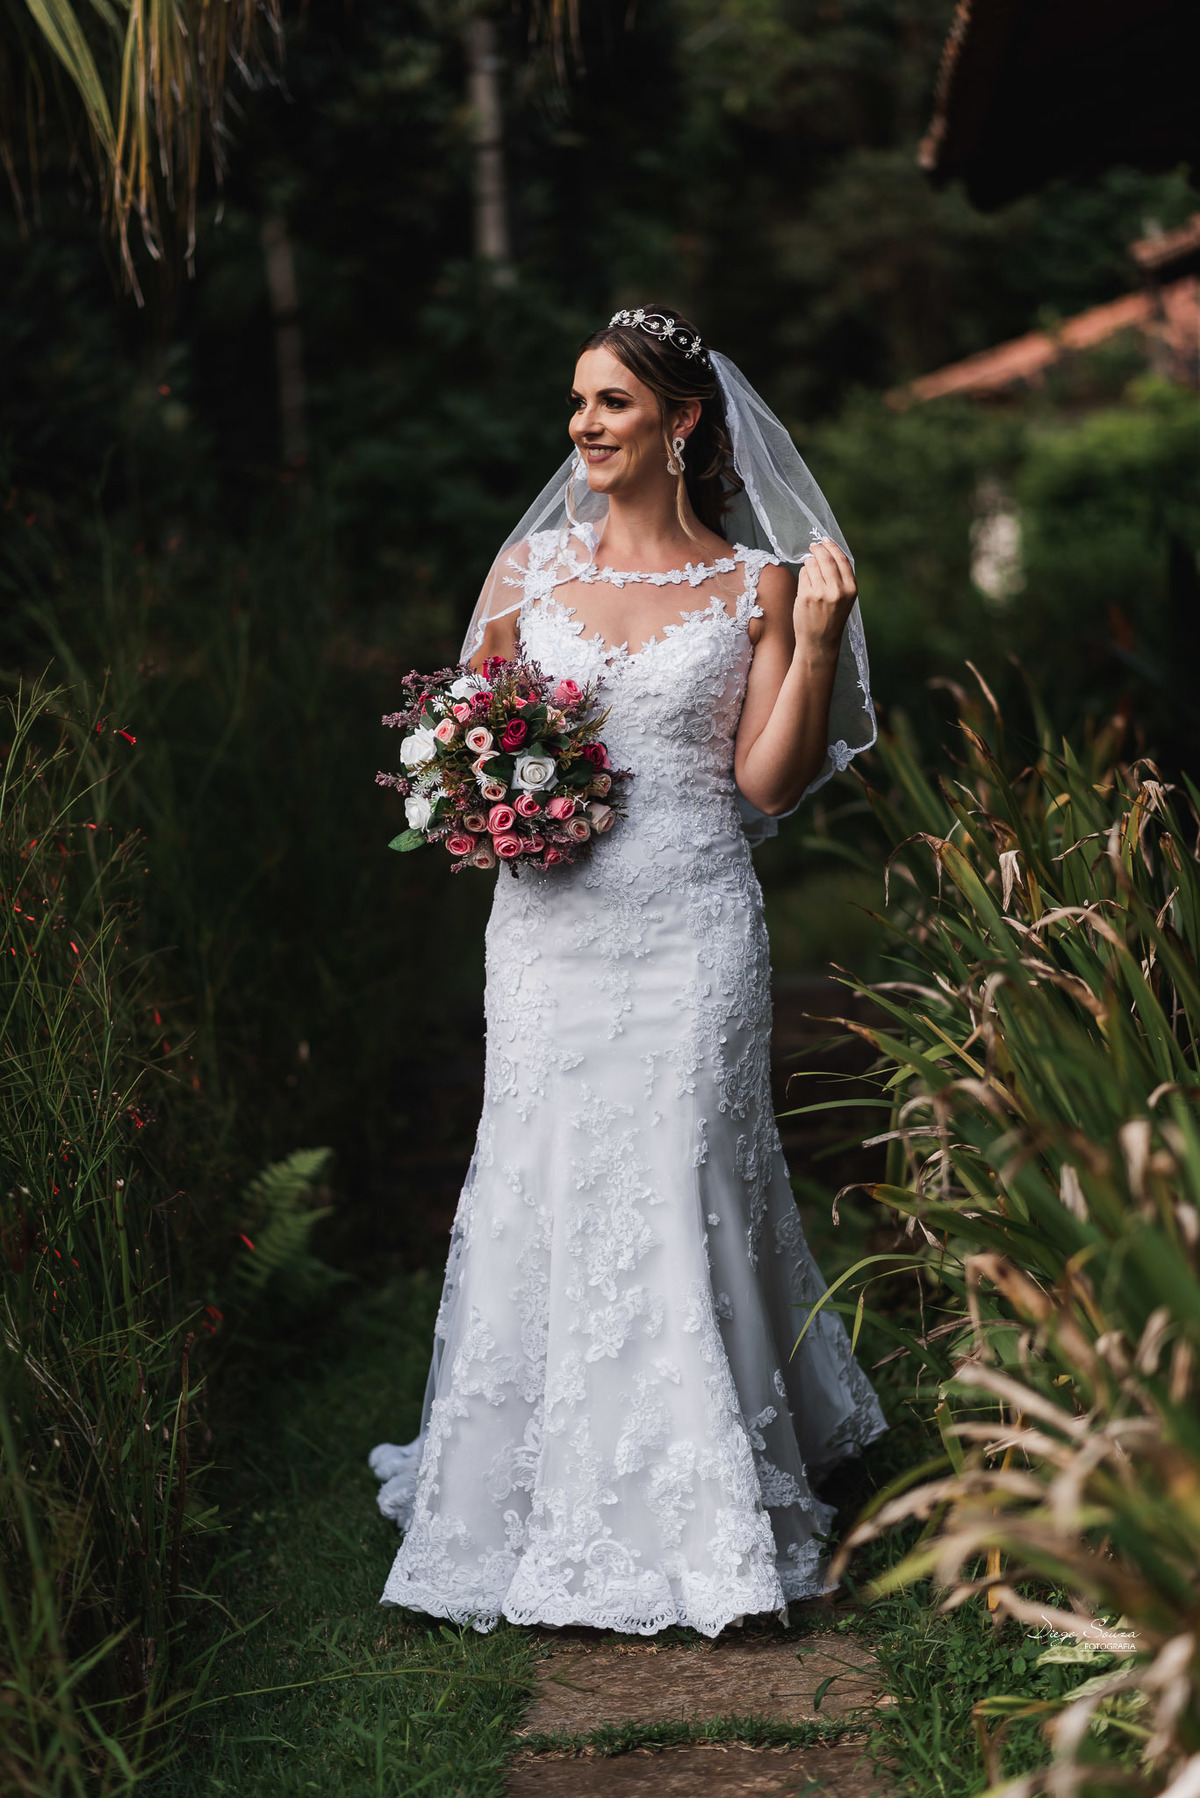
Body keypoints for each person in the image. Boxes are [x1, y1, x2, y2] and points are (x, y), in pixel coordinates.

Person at [370, 307, 885, 1636]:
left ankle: (712, 1498)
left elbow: (765, 783)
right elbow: (463, 739)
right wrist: (486, 805)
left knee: (684, 1171)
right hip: (548, 933)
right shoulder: (527, 573)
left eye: (612, 402)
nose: (583, 426)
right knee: (543, 1171)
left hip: (694, 924)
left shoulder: (757, 586)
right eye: (579, 403)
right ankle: (529, 1487)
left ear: (681, 422)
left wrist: (815, 640)